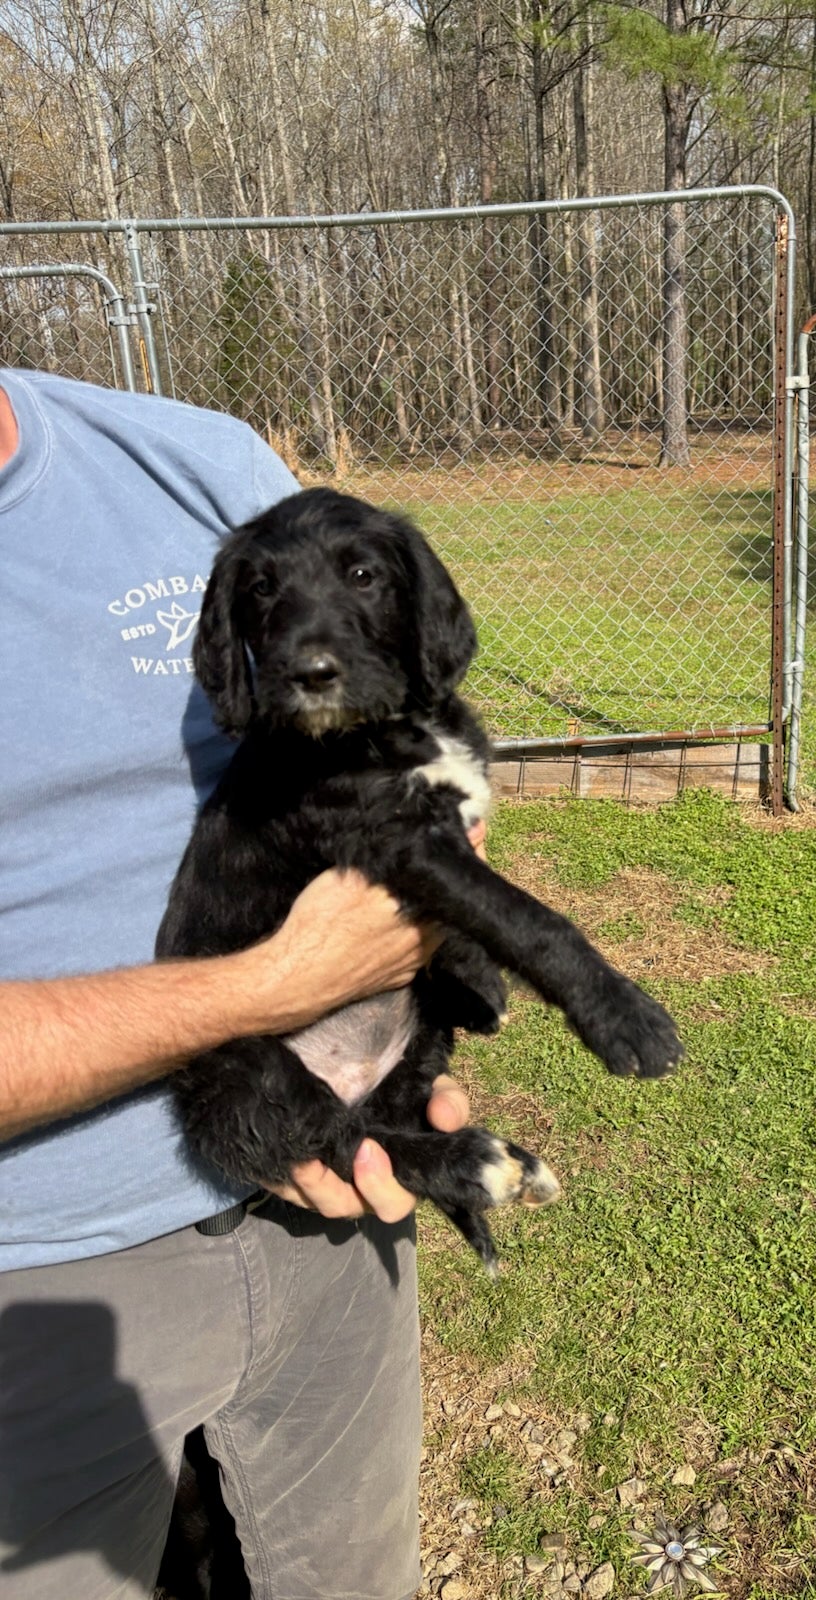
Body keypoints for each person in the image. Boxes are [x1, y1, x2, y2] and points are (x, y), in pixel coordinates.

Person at [0, 367, 471, 1599]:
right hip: (42, 1279)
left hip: (328, 1205)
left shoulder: (192, 460)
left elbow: (408, 716)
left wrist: (401, 1011)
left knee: (356, 1576)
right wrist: (268, 990)